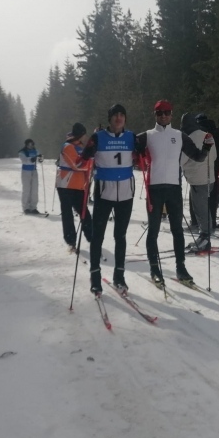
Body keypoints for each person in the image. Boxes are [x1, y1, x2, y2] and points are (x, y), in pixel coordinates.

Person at [135, 100, 213, 284]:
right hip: (154, 189)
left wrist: (208, 146)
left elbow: (198, 156)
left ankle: (181, 268)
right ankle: (155, 269)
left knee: (177, 230)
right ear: (155, 115)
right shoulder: (147, 135)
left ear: (172, 114)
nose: (163, 116)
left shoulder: (179, 135)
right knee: (153, 230)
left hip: (173, 189)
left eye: (167, 112)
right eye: (160, 113)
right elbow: (127, 144)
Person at [78, 104, 136, 295]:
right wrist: (87, 151)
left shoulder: (131, 137)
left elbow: (144, 154)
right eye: (115, 115)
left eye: (122, 115)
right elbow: (83, 158)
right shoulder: (98, 137)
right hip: (104, 194)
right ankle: (95, 278)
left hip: (126, 194)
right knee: (98, 237)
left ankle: (119, 277)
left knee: (120, 236)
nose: (119, 118)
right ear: (109, 118)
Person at [180, 113, 218, 251]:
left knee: (200, 209)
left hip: (198, 179)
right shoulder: (206, 135)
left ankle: (205, 238)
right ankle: (204, 236)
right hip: (209, 177)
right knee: (203, 208)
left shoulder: (190, 138)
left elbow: (182, 160)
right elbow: (214, 155)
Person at [55, 123, 93, 251]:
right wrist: (89, 160)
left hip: (78, 186)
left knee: (84, 213)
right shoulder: (67, 147)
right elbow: (77, 165)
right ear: (80, 135)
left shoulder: (81, 147)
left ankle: (92, 237)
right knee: (67, 214)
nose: (86, 136)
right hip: (65, 185)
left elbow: (88, 161)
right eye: (84, 134)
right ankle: (71, 240)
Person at [18, 138, 43, 214]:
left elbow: (39, 159)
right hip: (26, 171)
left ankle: (33, 207)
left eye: (32, 144)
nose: (31, 146)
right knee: (27, 189)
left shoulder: (36, 151)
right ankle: (26, 207)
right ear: (26, 145)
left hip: (34, 171)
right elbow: (24, 160)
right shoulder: (22, 152)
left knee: (34, 190)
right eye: (29, 144)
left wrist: (40, 158)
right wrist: (31, 159)